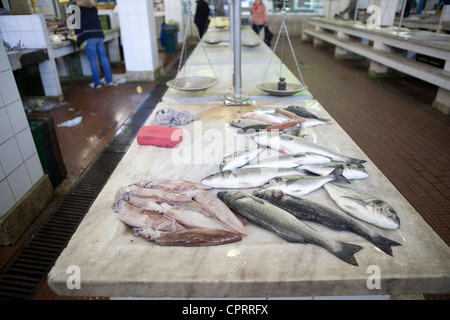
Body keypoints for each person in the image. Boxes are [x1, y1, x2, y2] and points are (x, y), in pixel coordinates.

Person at [50, 0, 113, 88]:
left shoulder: (79, 10)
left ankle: (97, 83)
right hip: (99, 35)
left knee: (93, 60)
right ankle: (109, 81)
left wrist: (56, 26)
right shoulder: (93, 9)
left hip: (89, 38)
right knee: (103, 58)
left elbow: (70, 22)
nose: (75, 2)